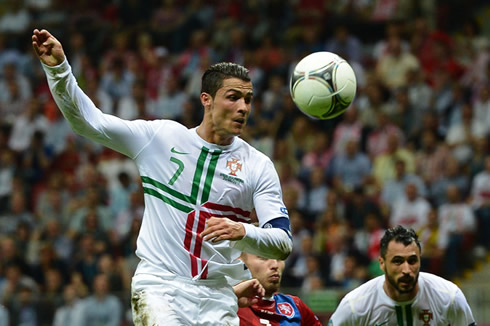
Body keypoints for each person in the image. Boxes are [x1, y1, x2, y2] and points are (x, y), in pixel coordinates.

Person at [32, 29, 292, 326]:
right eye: (232, 97)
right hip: (160, 286)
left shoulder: (257, 165)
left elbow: (282, 242)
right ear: (206, 99)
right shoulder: (161, 138)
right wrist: (59, 69)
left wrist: (242, 231)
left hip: (218, 297)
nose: (243, 107)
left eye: (248, 99)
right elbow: (88, 123)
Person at [328, 225, 476, 325]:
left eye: (412, 260)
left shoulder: (449, 297)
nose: (406, 269)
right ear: (382, 263)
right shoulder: (355, 305)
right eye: (397, 261)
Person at [238, 252, 322, 325]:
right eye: (264, 257)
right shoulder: (231, 304)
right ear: (240, 262)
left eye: (279, 257)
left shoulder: (296, 306)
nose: (275, 265)